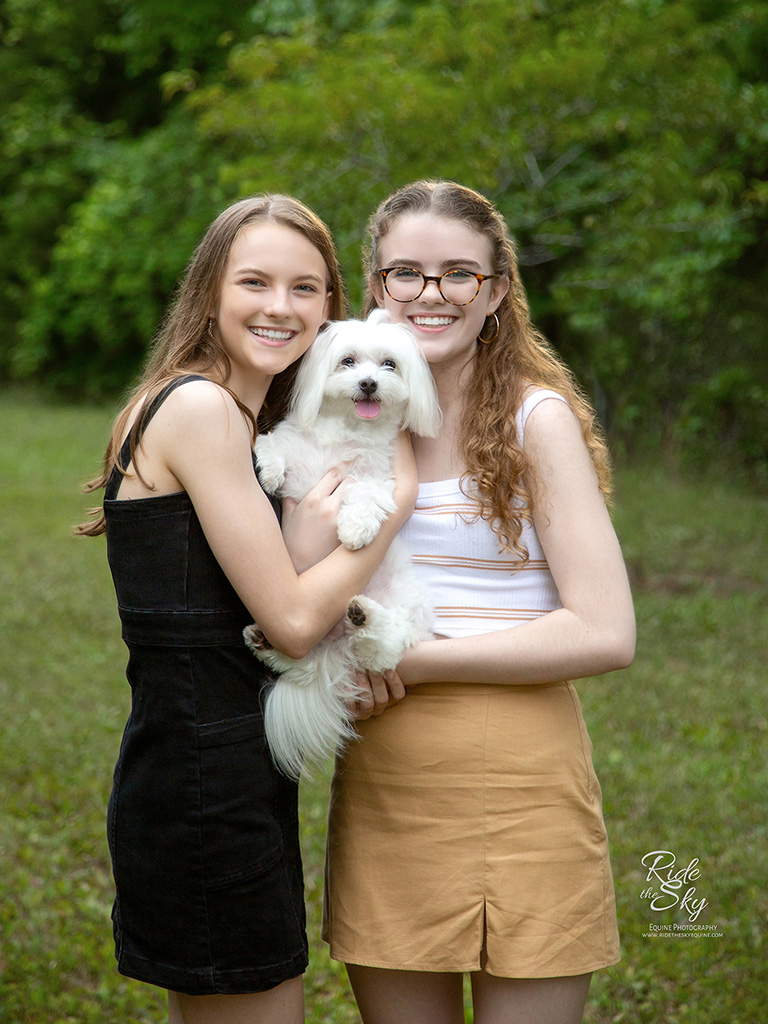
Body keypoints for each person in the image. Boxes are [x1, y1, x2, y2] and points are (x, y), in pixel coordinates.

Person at [77, 194, 413, 1024]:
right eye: (254, 281)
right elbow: (294, 622)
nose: (280, 306)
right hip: (203, 781)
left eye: (306, 288)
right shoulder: (200, 410)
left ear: (331, 307)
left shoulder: (239, 416)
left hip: (219, 764)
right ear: (209, 291)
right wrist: (390, 511)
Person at [322, 180, 636, 1024]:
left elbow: (606, 632)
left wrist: (410, 662)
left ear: (495, 292)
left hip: (523, 774)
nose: (433, 294)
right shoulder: (350, 413)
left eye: (459, 273)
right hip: (389, 776)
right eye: (408, 274)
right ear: (377, 286)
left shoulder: (539, 421)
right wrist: (337, 657)